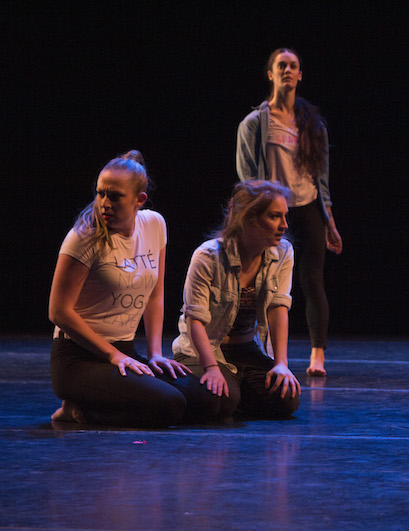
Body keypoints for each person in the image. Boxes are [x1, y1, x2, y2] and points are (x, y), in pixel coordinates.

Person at [49, 150, 215, 427]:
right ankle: (79, 410)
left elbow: (155, 293)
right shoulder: (84, 237)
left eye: (114, 196)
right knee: (170, 404)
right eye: (100, 193)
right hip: (78, 359)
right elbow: (58, 311)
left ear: (140, 200)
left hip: (126, 351)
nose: (104, 203)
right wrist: (113, 355)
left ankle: (100, 401)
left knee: (210, 400)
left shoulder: (154, 225)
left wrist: (155, 354)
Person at [236, 47, 342, 377]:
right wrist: (251, 215)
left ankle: (317, 355)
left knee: (312, 281)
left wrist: (329, 220)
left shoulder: (313, 125)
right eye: (281, 65)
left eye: (293, 66)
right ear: (271, 74)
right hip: (271, 209)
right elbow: (247, 176)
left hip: (307, 206)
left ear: (300, 75)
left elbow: (320, 177)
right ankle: (267, 351)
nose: (287, 70)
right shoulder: (254, 123)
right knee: (265, 280)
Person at [172, 180, 301, 420]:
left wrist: (281, 363)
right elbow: (195, 320)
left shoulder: (283, 253)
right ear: (247, 218)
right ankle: (196, 384)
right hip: (203, 349)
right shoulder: (208, 256)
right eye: (274, 217)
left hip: (245, 350)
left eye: (285, 216)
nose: (284, 225)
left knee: (286, 399)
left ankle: (232, 390)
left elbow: (278, 307)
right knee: (220, 401)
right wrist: (211, 367)